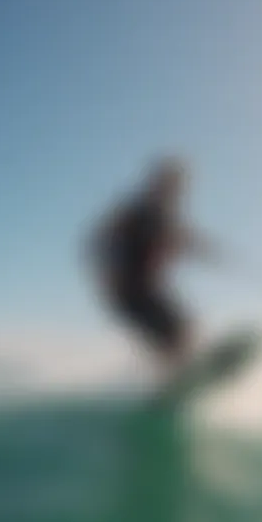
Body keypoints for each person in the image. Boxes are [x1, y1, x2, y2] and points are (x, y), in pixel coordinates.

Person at [86, 157, 217, 376]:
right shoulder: (135, 212)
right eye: (171, 186)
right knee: (172, 332)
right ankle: (175, 374)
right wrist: (107, 274)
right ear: (158, 184)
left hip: (148, 290)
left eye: (178, 188)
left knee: (184, 327)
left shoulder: (165, 218)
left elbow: (182, 239)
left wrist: (203, 248)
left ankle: (176, 375)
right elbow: (100, 239)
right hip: (128, 291)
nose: (175, 193)